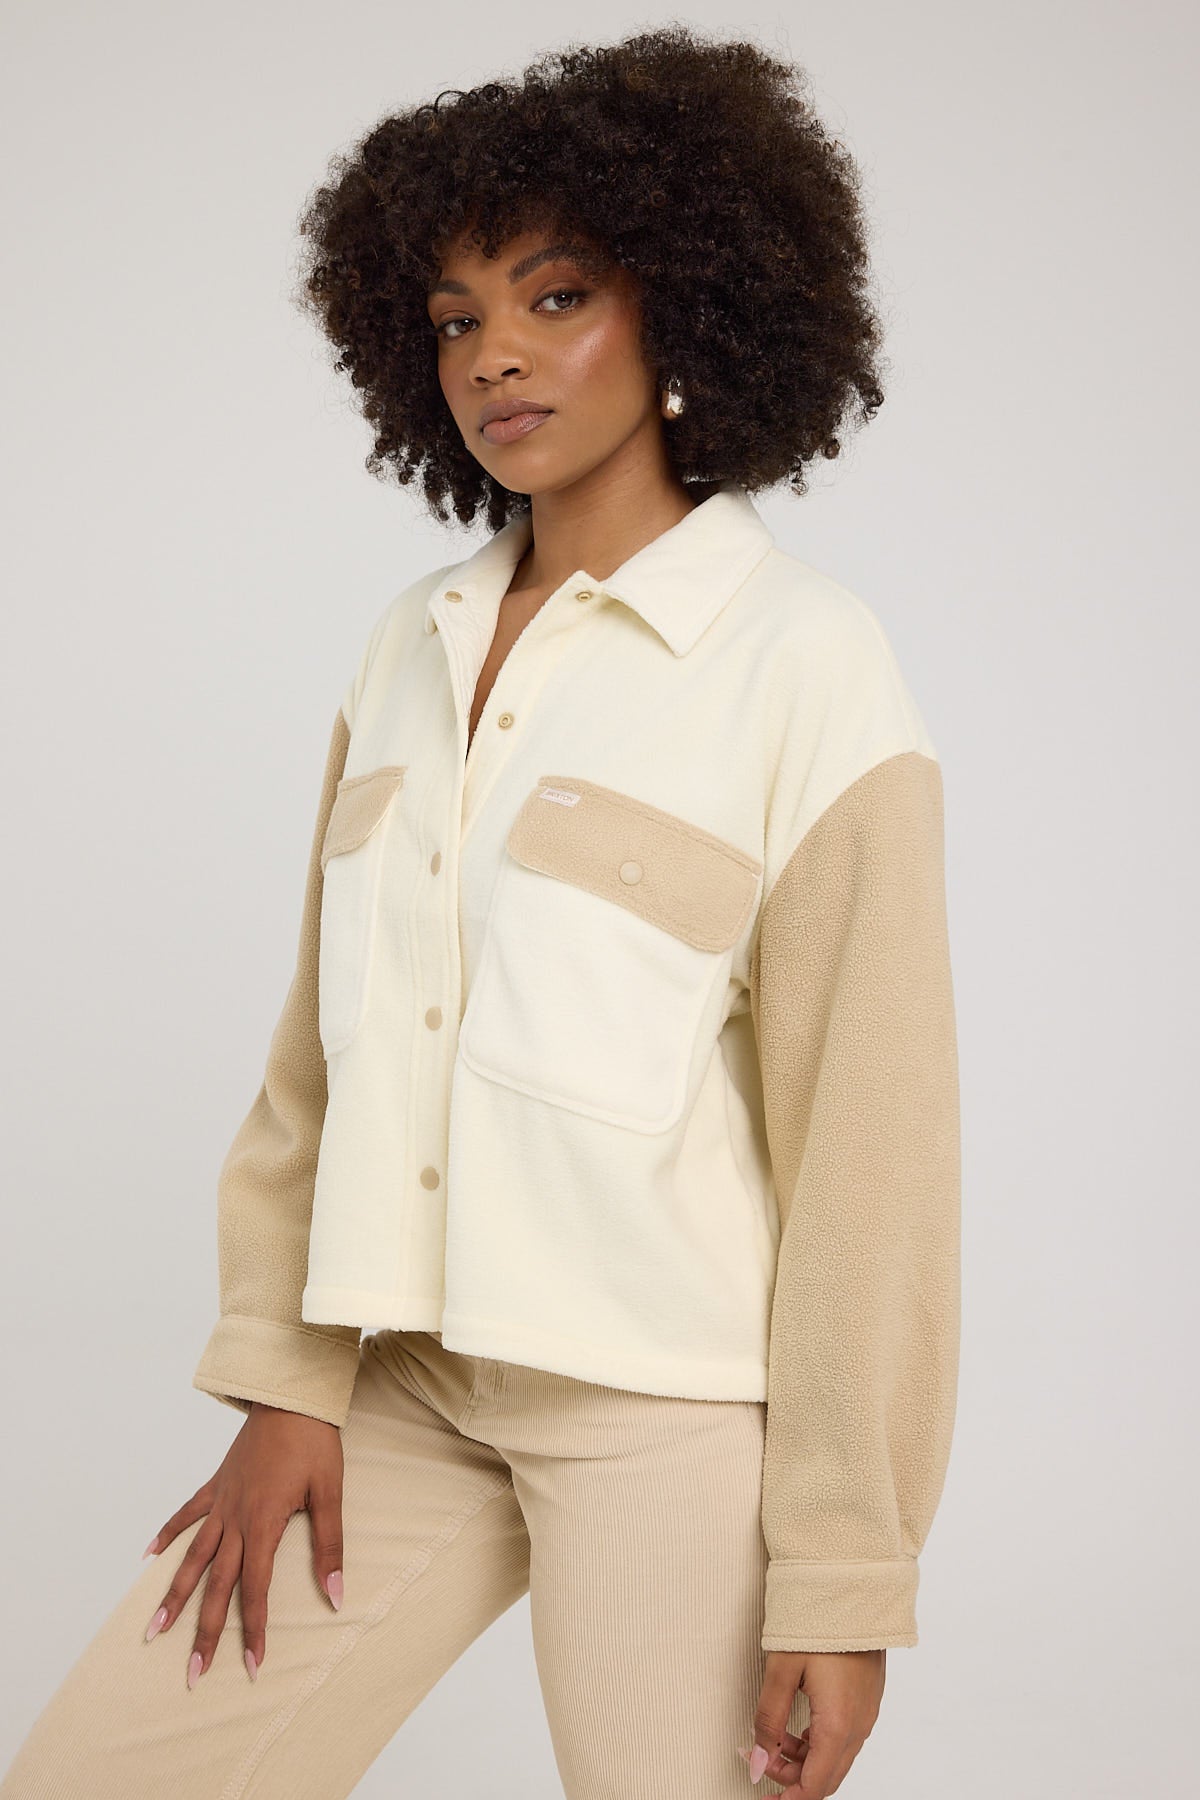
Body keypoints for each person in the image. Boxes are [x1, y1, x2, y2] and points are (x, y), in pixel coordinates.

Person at [1, 22, 960, 1800]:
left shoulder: (805, 662)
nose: (495, 355)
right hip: (407, 1383)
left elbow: (871, 1158)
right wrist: (288, 1376)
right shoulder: (413, 646)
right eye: (454, 320)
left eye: (556, 297)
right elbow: (321, 1056)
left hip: (662, 1406)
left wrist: (844, 1568)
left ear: (687, 309)